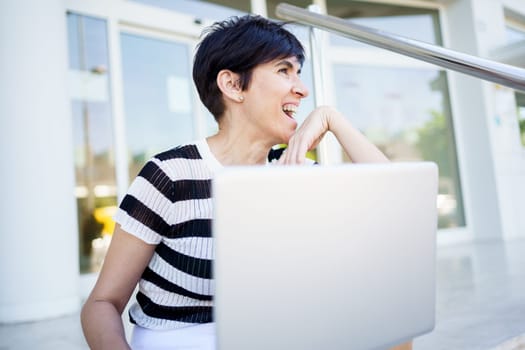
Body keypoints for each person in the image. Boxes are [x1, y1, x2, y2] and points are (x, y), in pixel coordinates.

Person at [81, 15, 411, 350]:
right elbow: (102, 304)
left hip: (271, 337)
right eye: (284, 70)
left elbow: (393, 200)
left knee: (398, 334)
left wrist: (332, 118)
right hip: (182, 340)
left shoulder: (295, 173)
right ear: (233, 85)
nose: (301, 88)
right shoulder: (171, 175)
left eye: (299, 72)